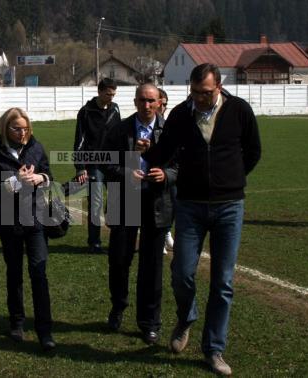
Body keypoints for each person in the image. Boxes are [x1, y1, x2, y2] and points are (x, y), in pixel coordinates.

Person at [142, 63, 261, 375]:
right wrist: (148, 151)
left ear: (218, 88)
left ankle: (214, 349)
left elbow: (253, 151)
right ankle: (186, 317)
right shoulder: (182, 114)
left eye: (206, 93)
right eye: (195, 92)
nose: (200, 98)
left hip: (229, 207)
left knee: (223, 282)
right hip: (191, 206)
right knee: (181, 272)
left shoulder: (239, 111)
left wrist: (231, 178)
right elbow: (164, 151)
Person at [103, 83, 177, 345]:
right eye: (141, 101)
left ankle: (150, 323)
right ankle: (118, 307)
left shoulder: (170, 130)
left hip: (156, 202)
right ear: (134, 102)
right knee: (120, 259)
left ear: (159, 103)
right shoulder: (120, 129)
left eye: (151, 101)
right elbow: (105, 162)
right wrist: (126, 171)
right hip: (125, 199)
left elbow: (182, 164)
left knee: (152, 265)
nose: (146, 105)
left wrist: (166, 174)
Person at [0, 107, 56, 351]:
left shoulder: (36, 148)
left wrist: (40, 179)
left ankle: (45, 330)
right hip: (9, 222)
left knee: (39, 273)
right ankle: (17, 322)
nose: (22, 132)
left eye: (25, 128)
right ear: (6, 128)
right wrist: (15, 182)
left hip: (35, 220)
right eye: (17, 128)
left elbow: (50, 176)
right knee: (14, 274)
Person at [73, 78, 121, 253]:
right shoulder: (86, 112)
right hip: (94, 165)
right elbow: (79, 140)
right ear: (99, 92)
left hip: (114, 164)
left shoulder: (115, 109)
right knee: (96, 203)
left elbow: (120, 136)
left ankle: (117, 239)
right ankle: (94, 243)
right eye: (108, 94)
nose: (111, 97)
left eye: (113, 94)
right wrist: (80, 167)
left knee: (117, 201)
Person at [158, 88, 175, 255]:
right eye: (160, 103)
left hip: (168, 172)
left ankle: (167, 233)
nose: (163, 107)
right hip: (150, 173)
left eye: (165, 104)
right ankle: (158, 238)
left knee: (172, 203)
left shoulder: (169, 124)